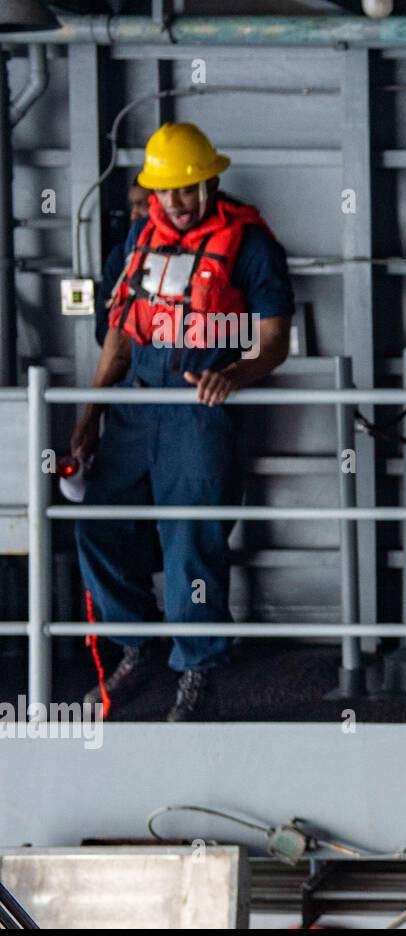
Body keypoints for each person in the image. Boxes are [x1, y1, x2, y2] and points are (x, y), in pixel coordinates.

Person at [72, 122, 294, 721]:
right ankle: (139, 645)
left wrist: (236, 375)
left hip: (199, 410)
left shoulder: (249, 243)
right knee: (94, 524)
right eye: (166, 190)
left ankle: (200, 670)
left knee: (191, 540)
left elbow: (274, 340)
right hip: (136, 408)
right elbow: (119, 336)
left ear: (211, 181)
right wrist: (90, 415)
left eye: (189, 188)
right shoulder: (138, 240)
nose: (177, 200)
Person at [97, 177, 151, 346]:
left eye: (143, 205)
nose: (134, 214)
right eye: (132, 205)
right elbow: (102, 331)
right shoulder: (120, 257)